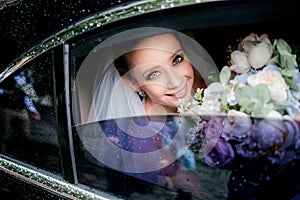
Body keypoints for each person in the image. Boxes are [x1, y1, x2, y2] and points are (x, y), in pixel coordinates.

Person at [76, 27, 219, 198]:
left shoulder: (212, 100)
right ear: (133, 83)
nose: (176, 81)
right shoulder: (126, 139)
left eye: (177, 59)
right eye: (154, 74)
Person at [0, 66, 41, 153]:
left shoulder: (26, 78)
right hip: (6, 109)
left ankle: (20, 155)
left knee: (25, 134)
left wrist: (32, 110)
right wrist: (5, 92)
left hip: (21, 110)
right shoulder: (6, 74)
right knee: (2, 136)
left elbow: (28, 96)